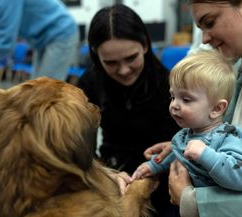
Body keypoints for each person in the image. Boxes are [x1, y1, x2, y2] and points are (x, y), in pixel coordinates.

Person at [143, 0, 242, 216]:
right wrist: (192, 142)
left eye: (209, 22)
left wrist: (194, 201)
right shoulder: (238, 61)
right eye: (201, 29)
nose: (206, 39)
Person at [76, 4, 180, 217]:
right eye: (111, 63)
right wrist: (105, 174)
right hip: (111, 172)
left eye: (131, 58)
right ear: (96, 56)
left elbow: (180, 144)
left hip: (162, 178)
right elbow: (80, 150)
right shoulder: (88, 84)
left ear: (145, 45)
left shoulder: (170, 84)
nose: (123, 70)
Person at [132, 50, 242, 192]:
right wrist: (153, 166)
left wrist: (205, 154)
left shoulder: (229, 137)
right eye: (173, 97)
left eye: (186, 99)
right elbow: (176, 155)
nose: (174, 105)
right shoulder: (183, 136)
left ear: (216, 108)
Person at [0, 0, 79, 81]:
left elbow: (4, 45)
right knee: (35, 90)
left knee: (45, 93)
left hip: (60, 32)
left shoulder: (1, 2)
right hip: (43, 39)